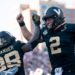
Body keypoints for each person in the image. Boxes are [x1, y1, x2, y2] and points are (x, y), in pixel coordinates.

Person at [18, 6, 75, 75]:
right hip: (56, 71)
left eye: (49, 19)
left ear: (57, 17)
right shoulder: (46, 32)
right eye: (46, 20)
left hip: (71, 70)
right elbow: (30, 38)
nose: (47, 22)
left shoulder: (70, 28)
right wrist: (22, 24)